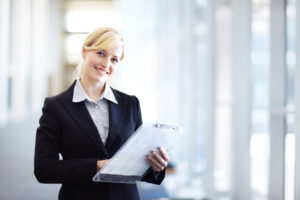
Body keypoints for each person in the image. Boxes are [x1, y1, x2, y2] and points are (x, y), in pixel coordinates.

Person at [34, 27, 170, 200]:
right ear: (84, 51)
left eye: (114, 59)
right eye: (100, 53)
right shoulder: (55, 107)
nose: (106, 64)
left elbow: (138, 164)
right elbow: (44, 169)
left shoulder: (130, 104)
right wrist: (97, 166)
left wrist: (156, 167)